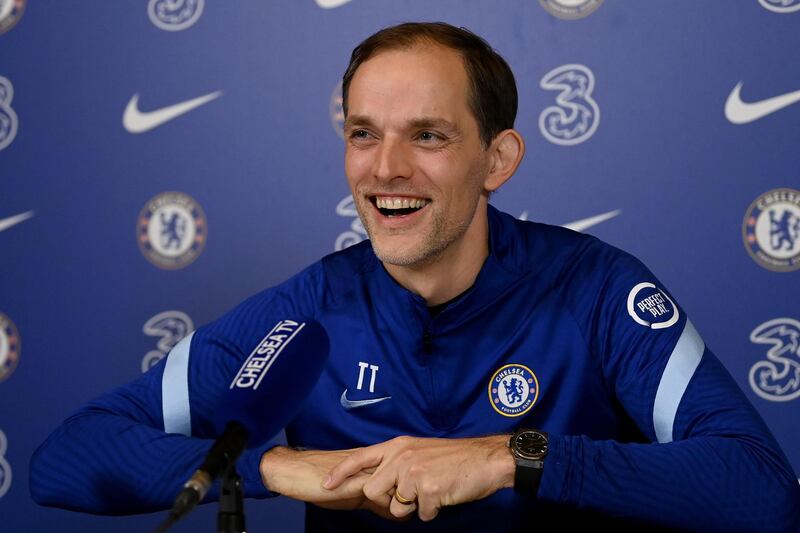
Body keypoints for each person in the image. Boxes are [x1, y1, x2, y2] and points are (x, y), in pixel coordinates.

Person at [30, 22, 800, 532]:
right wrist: (276, 465)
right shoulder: (311, 309)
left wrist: (513, 456)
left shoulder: (595, 290)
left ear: (498, 159)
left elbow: (762, 489)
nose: (385, 169)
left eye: (427, 136)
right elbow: (66, 457)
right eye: (363, 134)